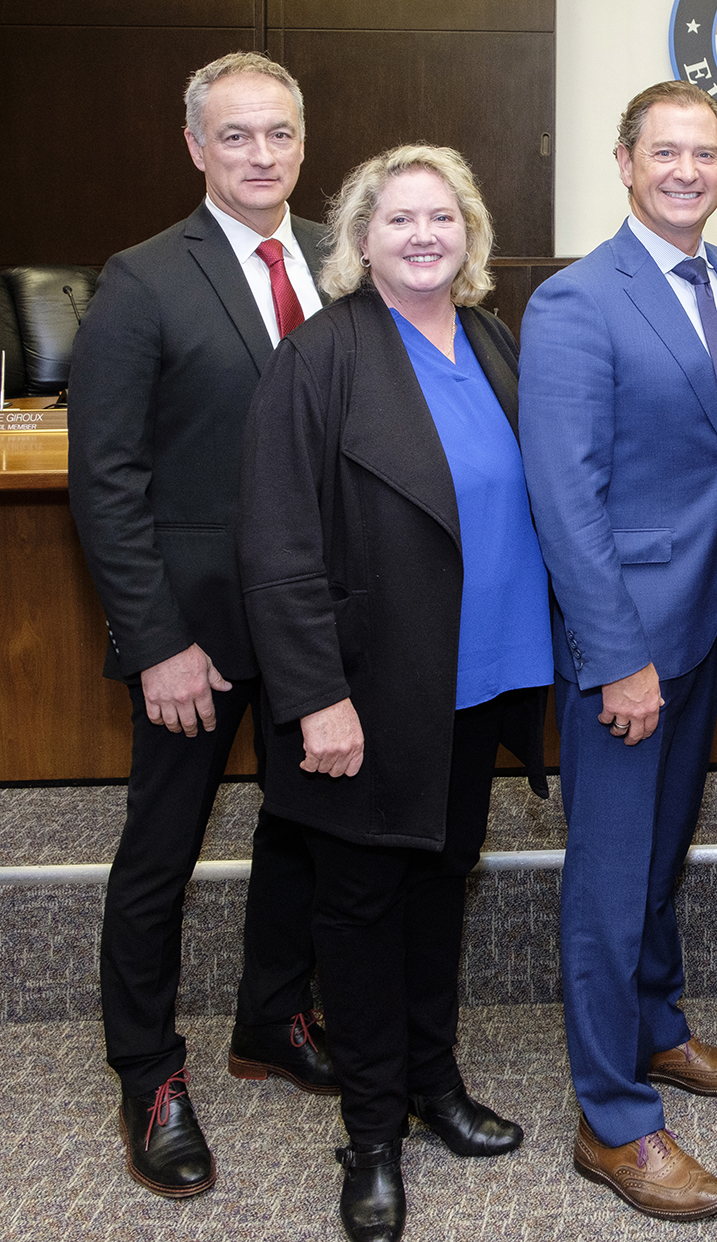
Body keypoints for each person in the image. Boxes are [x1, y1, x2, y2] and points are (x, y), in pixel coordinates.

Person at [236, 144, 547, 1242]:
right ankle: (371, 1133)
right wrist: (316, 696)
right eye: (399, 218)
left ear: (469, 236)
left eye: (443, 217)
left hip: (480, 682)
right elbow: (275, 544)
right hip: (366, 696)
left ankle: (433, 1082)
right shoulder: (320, 357)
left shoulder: (494, 341)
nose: (424, 235)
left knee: (438, 888)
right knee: (361, 914)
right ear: (359, 241)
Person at [66, 51, 333, 1200]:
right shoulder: (139, 278)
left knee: (306, 829)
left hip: (319, 620)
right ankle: (149, 1071)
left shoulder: (343, 254)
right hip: (199, 632)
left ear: (303, 142)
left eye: (277, 134)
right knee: (160, 853)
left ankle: (271, 1017)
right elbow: (105, 480)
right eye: (235, 136)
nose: (259, 155)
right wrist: (155, 639)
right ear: (195, 147)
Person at [518, 80, 717, 1224]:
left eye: (704, 153)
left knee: (664, 853)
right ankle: (611, 1118)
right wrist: (616, 656)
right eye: (663, 152)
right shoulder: (575, 301)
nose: (685, 170)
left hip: (706, 625)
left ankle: (655, 1029)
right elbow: (565, 498)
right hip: (623, 643)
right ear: (623, 162)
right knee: (610, 883)